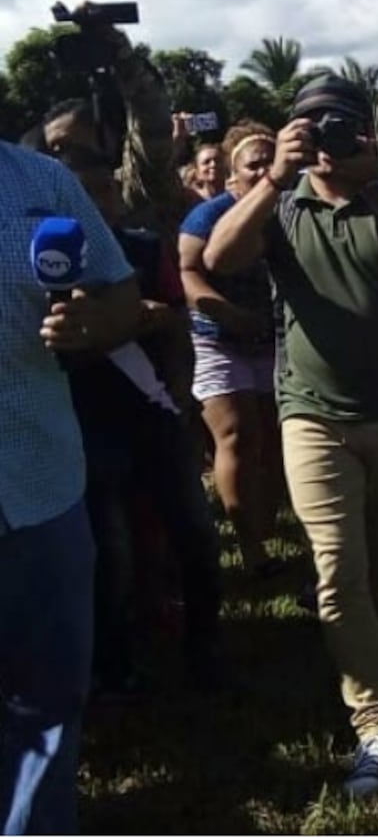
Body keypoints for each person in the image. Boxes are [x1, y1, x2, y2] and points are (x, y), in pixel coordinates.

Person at [203, 73, 378, 799]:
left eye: (340, 126)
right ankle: (376, 722)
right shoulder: (281, 202)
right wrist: (275, 177)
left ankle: (374, 668)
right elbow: (218, 256)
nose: (328, 143)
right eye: (313, 127)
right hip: (312, 412)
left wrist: (377, 183)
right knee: (338, 573)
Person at [0, 140, 140, 834]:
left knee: (48, 701)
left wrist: (92, 322)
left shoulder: (42, 179)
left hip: (40, 486)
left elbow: (119, 290)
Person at [55, 146, 224, 697]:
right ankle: (117, 668)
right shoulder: (47, 263)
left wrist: (179, 390)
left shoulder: (145, 251)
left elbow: (176, 322)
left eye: (105, 190)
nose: (98, 204)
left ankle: (206, 651)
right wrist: (126, 323)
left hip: (154, 415)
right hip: (85, 422)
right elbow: (57, 348)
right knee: (113, 553)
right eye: (84, 193)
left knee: (195, 535)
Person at [178, 122, 283, 577]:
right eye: (251, 164)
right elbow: (187, 272)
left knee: (276, 441)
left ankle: (265, 528)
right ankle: (249, 546)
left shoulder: (289, 210)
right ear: (231, 175)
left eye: (268, 160)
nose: (261, 170)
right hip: (216, 338)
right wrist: (228, 313)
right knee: (237, 434)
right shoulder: (208, 215)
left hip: (274, 340)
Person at [28, 13, 190, 236]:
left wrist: (122, 57)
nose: (68, 159)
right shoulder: (28, 206)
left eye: (77, 147)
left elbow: (152, 121)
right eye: (57, 149)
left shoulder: (132, 194)